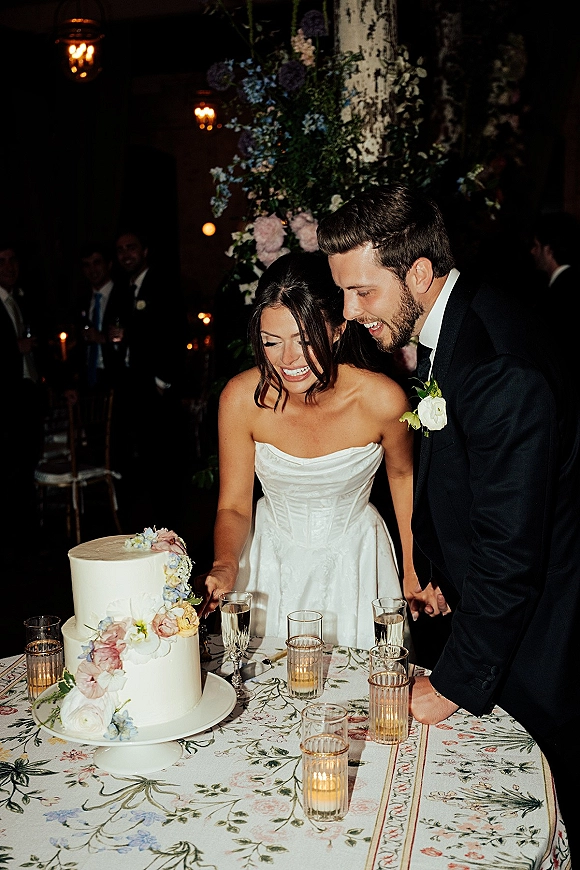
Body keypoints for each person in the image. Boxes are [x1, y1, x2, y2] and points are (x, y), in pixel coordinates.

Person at [317, 183, 580, 858]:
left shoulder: (497, 363)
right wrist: (434, 573)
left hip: (538, 634)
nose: (348, 315)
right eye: (342, 293)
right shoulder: (456, 324)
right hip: (489, 612)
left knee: (530, 812)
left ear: (420, 273)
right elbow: (469, 479)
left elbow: (512, 553)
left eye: (363, 292)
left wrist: (451, 683)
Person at [198, 251, 442, 648]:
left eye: (304, 339)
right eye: (271, 342)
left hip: (358, 562)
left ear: (338, 328)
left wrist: (413, 568)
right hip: (269, 564)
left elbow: (402, 477)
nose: (288, 359)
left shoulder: (383, 400)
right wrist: (225, 564)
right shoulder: (242, 399)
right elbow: (234, 506)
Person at [106, 229, 188, 528]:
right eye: (120, 250)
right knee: (134, 462)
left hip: (156, 389)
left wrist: (162, 382)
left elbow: (173, 333)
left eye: (131, 247)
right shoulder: (121, 289)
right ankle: (138, 529)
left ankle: (171, 530)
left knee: (163, 463)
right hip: (130, 387)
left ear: (145, 251)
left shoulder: (161, 284)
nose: (126, 254)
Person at [0, 242, 44, 563]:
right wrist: (16, 347)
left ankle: (29, 540)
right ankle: (18, 545)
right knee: (12, 471)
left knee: (27, 466)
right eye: (2, 261)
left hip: (26, 396)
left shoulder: (20, 300)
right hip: (7, 402)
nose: (9, 266)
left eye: (13, 259)